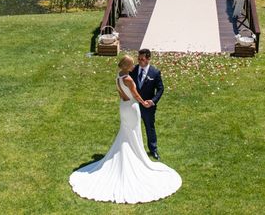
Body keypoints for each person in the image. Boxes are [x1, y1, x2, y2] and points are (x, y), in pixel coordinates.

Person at [69, 55, 181, 203]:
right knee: (133, 133)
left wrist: (128, 100)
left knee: (126, 133)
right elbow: (135, 94)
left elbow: (121, 93)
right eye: (132, 64)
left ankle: (131, 153)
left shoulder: (119, 76)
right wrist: (144, 103)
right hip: (132, 107)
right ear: (127, 65)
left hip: (123, 106)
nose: (134, 66)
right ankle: (135, 157)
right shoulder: (128, 79)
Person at [129, 49, 164, 159]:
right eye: (138, 59)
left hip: (148, 106)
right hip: (134, 105)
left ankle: (153, 150)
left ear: (148, 59)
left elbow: (160, 89)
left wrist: (153, 101)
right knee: (131, 127)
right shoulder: (133, 70)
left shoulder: (155, 72)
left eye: (142, 59)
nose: (139, 61)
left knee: (149, 127)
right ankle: (132, 150)